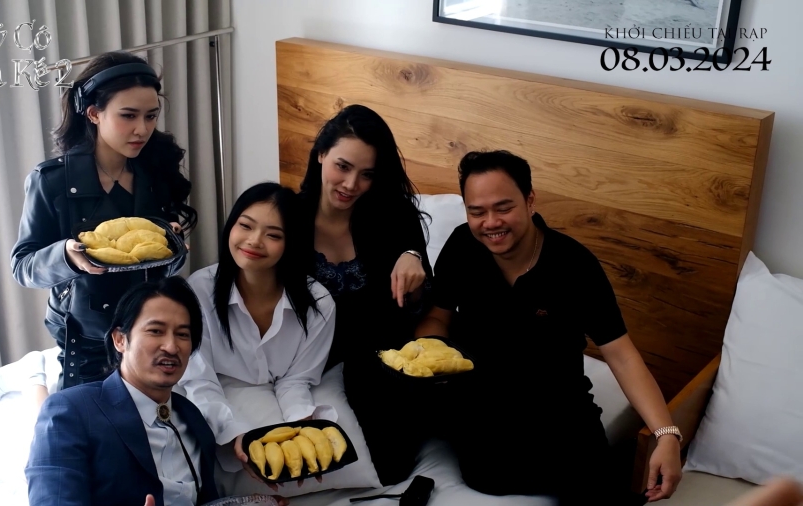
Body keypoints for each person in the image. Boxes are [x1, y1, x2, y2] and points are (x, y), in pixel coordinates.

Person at [414, 150, 683, 505]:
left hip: (560, 410)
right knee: (485, 477)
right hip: (485, 406)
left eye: (503, 208)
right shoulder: (463, 245)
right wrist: (430, 354)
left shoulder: (573, 265)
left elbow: (621, 355)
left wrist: (667, 434)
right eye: (477, 212)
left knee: (598, 488)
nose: (491, 223)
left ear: (530, 200)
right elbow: (438, 316)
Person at [11, 51, 198, 390]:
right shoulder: (51, 181)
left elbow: (161, 268)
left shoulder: (156, 172)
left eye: (151, 116)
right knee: (73, 421)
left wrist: (174, 248)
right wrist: (66, 256)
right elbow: (23, 266)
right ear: (94, 113)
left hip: (146, 334)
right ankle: (35, 381)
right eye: (128, 115)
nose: (142, 129)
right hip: (85, 340)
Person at [297, 105, 433, 485]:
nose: (351, 184)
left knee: (387, 468)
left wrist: (414, 263)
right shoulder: (287, 219)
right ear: (321, 154)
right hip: (306, 367)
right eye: (342, 166)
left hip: (380, 373)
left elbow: (420, 306)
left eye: (367, 174)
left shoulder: (395, 218)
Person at [176, 182, 336, 475]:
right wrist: (235, 434)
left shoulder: (319, 303)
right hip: (214, 395)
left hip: (276, 392)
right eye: (245, 226)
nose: (254, 241)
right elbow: (199, 381)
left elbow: (296, 380)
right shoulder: (199, 290)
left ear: (292, 242)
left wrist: (300, 426)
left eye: (273, 235)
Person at [25, 276, 220, 506]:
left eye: (183, 334)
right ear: (120, 339)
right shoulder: (70, 412)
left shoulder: (193, 417)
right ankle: (32, 376)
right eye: (156, 331)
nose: (171, 346)